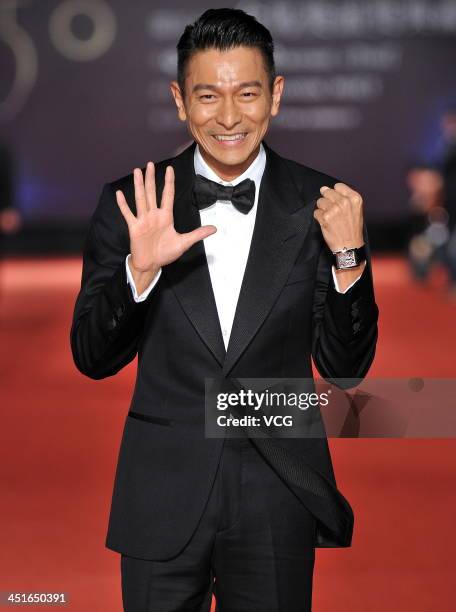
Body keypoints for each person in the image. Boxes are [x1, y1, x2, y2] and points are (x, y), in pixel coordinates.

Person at [70, 8, 379, 611]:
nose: (230, 117)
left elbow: (346, 368)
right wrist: (140, 272)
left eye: (248, 93)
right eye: (208, 95)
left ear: (277, 95)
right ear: (181, 101)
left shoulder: (321, 206)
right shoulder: (132, 202)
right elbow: (91, 356)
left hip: (277, 494)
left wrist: (349, 259)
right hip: (163, 489)